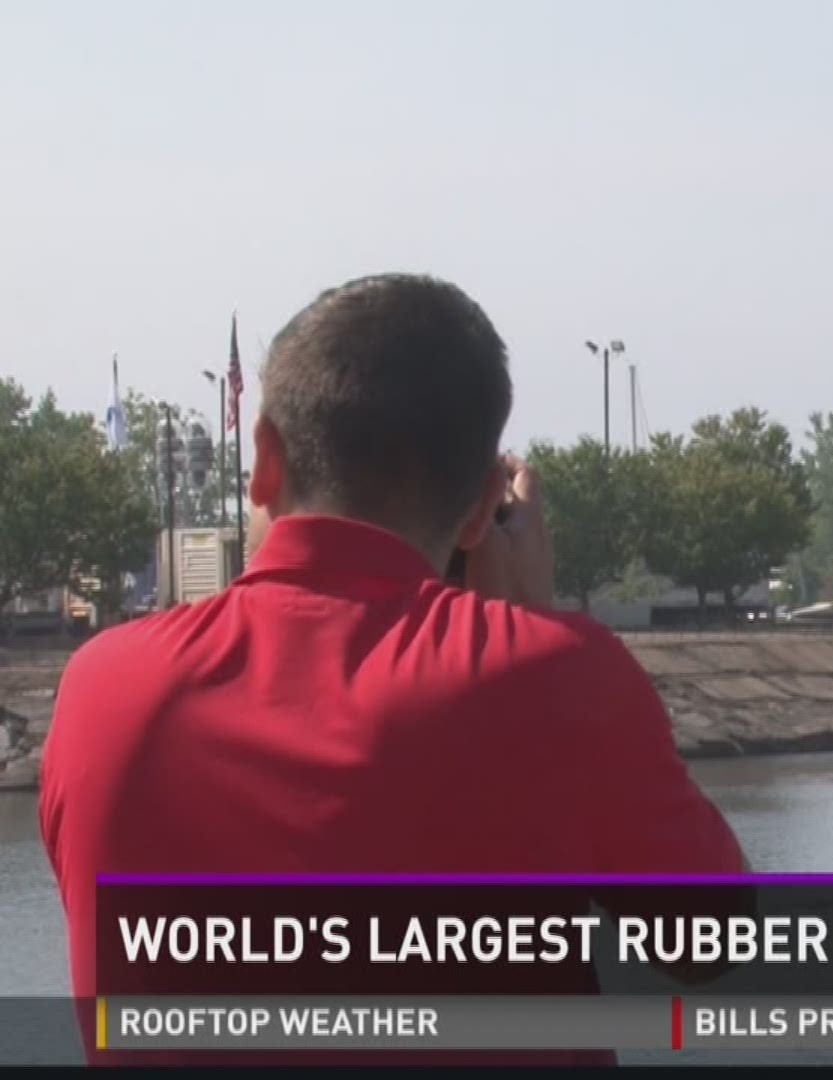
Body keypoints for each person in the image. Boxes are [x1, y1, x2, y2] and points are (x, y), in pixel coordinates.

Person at [39, 274, 744, 1066]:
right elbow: (713, 939)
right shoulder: (555, 678)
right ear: (484, 506)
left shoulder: (104, 693)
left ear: (265, 460)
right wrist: (533, 629)